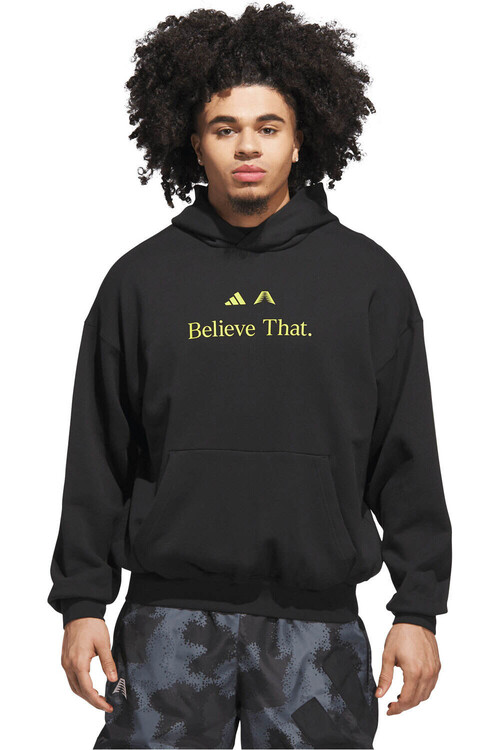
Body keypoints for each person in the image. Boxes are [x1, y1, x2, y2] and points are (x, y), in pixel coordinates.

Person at [47, 4, 452, 749]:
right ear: (192, 142)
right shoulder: (141, 282)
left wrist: (417, 609)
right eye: (224, 128)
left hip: (316, 627)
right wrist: (81, 602)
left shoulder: (367, 280)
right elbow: (98, 453)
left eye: (268, 127)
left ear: (300, 140)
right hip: (167, 624)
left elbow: (406, 453)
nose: (247, 147)